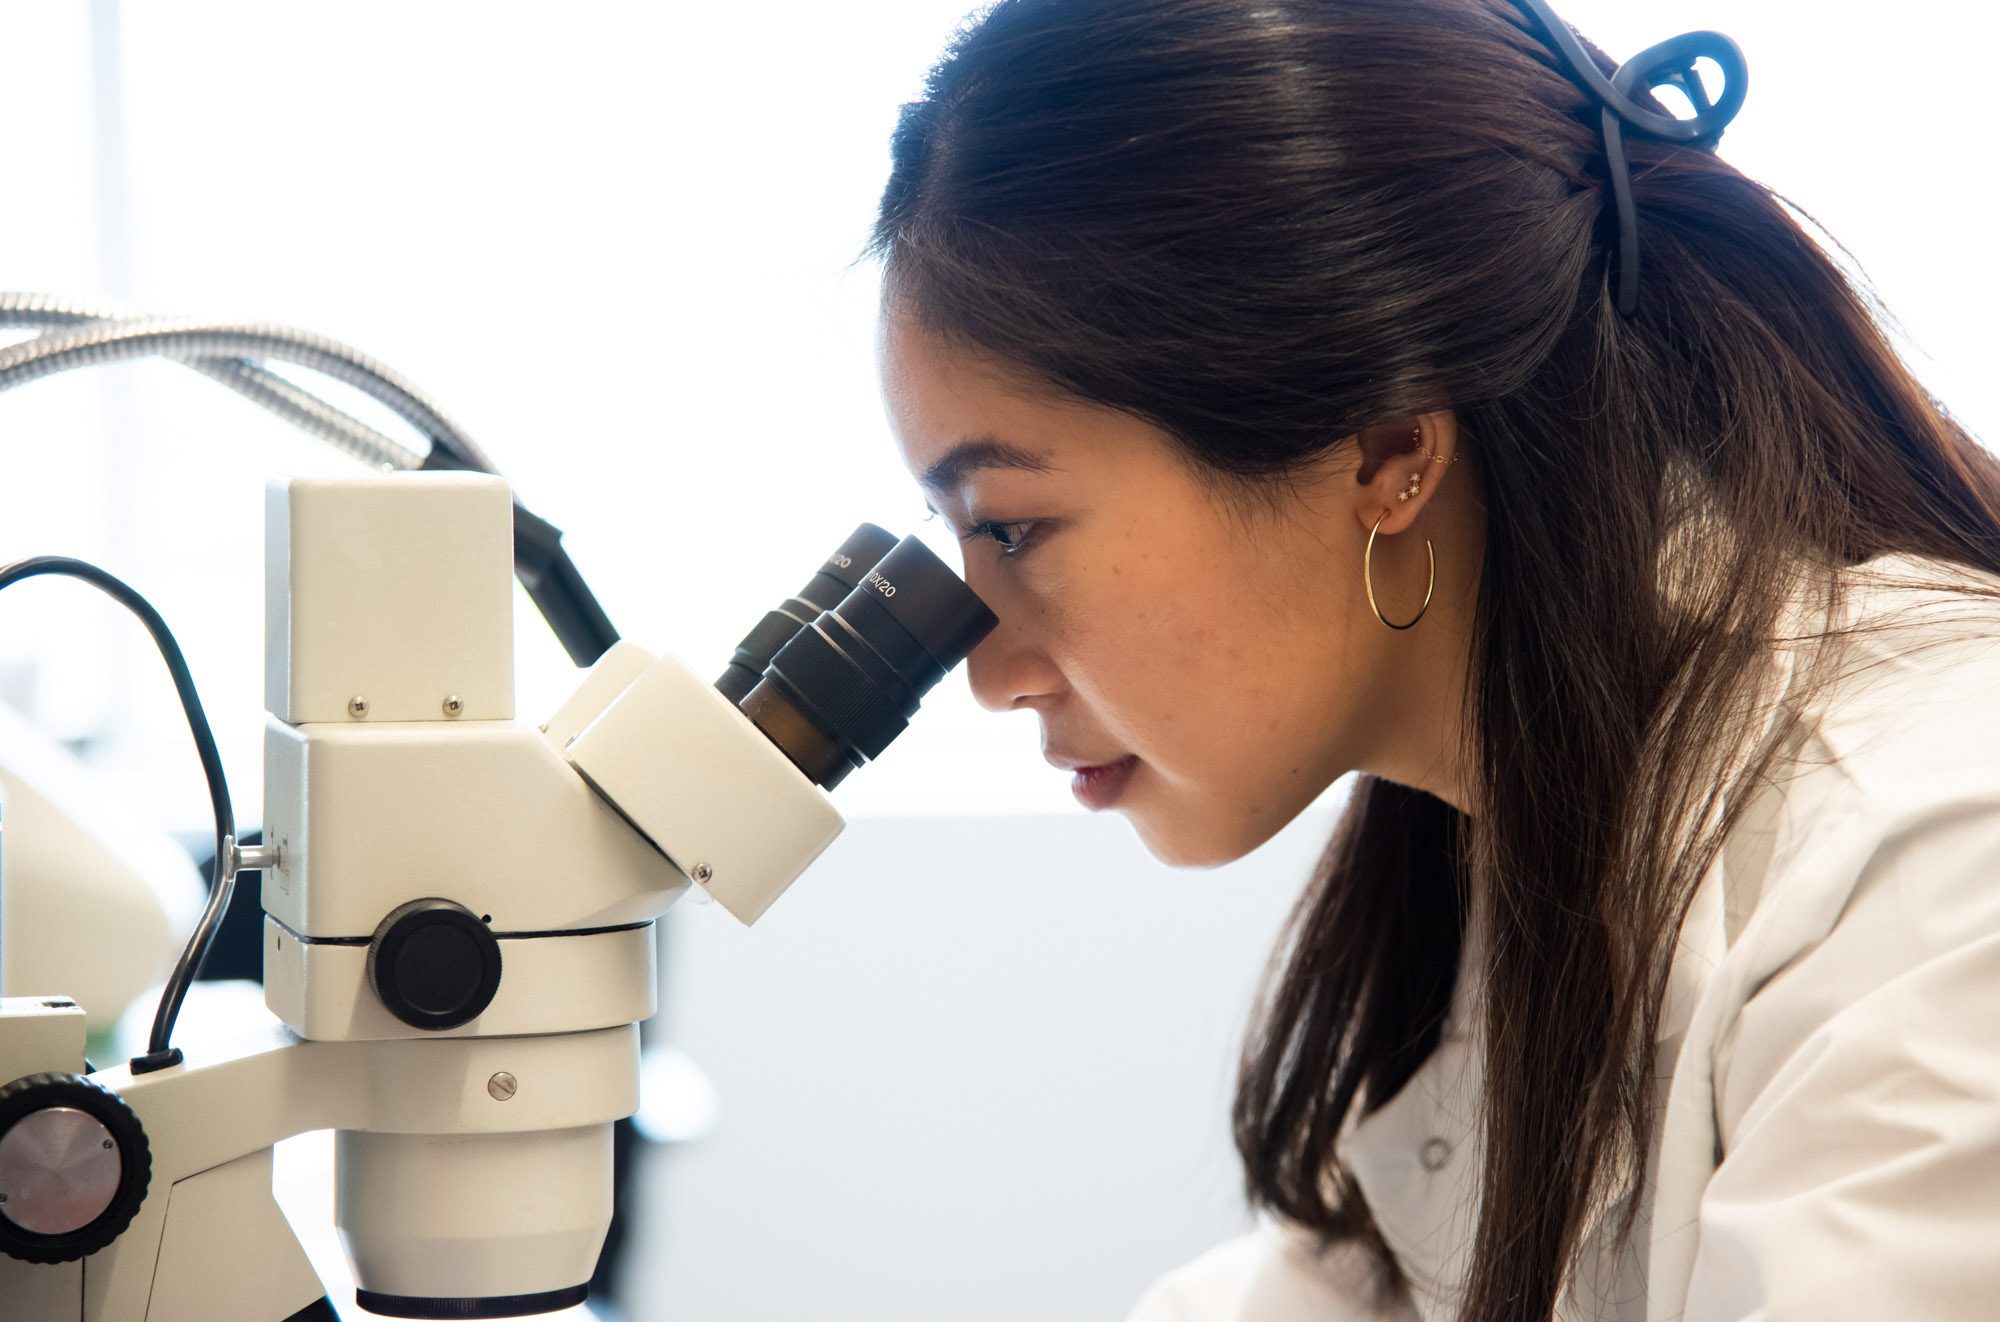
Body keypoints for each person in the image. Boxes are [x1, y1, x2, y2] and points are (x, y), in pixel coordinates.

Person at [865, 0, 2000, 1319]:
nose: (988, 669)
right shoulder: (1524, 815)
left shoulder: (1930, 865)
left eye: (1014, 526)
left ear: (1387, 455)